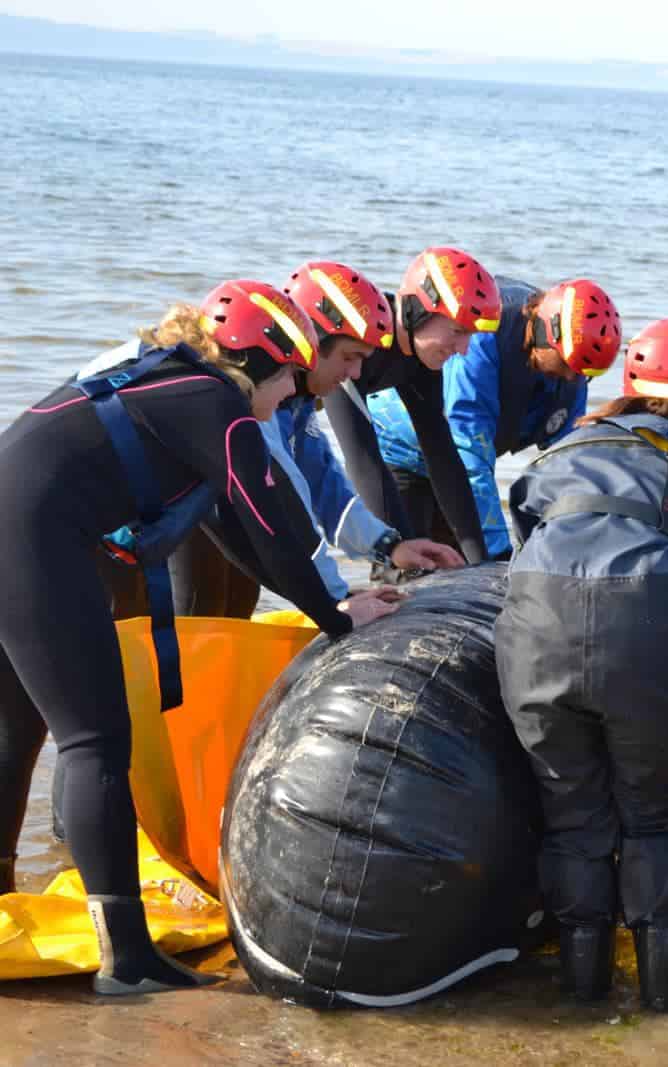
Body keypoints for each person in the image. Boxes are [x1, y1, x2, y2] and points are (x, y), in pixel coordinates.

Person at [0, 281, 396, 995]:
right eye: (285, 379)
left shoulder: (173, 382)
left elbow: (239, 531)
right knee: (95, 741)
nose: (285, 398)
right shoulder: (218, 407)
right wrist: (338, 618)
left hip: (15, 517)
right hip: (32, 536)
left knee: (16, 725)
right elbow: (273, 528)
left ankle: (2, 900)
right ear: (257, 364)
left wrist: (331, 603)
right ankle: (127, 958)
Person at [495, 319, 668, 1010]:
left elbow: (523, 541)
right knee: (653, 817)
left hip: (534, 628)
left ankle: (583, 997)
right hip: (649, 623)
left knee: (572, 818)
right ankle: (662, 1005)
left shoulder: (562, 448)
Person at [157, 260, 468, 615]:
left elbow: (324, 483)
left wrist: (389, 546)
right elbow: (290, 509)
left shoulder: (295, 400)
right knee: (205, 608)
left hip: (192, 505)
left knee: (240, 603)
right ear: (310, 342)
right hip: (144, 513)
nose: (356, 373)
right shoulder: (252, 401)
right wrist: (336, 602)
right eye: (350, 357)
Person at [365, 278, 621, 559]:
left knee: (460, 567)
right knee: (408, 572)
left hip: (458, 472)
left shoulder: (572, 370)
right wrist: (500, 555)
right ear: (546, 333)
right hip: (403, 451)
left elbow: (567, 463)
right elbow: (469, 449)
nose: (573, 377)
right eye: (567, 365)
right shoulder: (484, 339)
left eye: (584, 373)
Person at [322, 246, 501, 564]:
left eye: (470, 336)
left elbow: (443, 457)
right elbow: (362, 459)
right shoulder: (360, 339)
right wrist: (398, 550)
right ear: (417, 310)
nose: (463, 349)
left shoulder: (420, 358)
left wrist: (479, 562)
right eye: (458, 331)